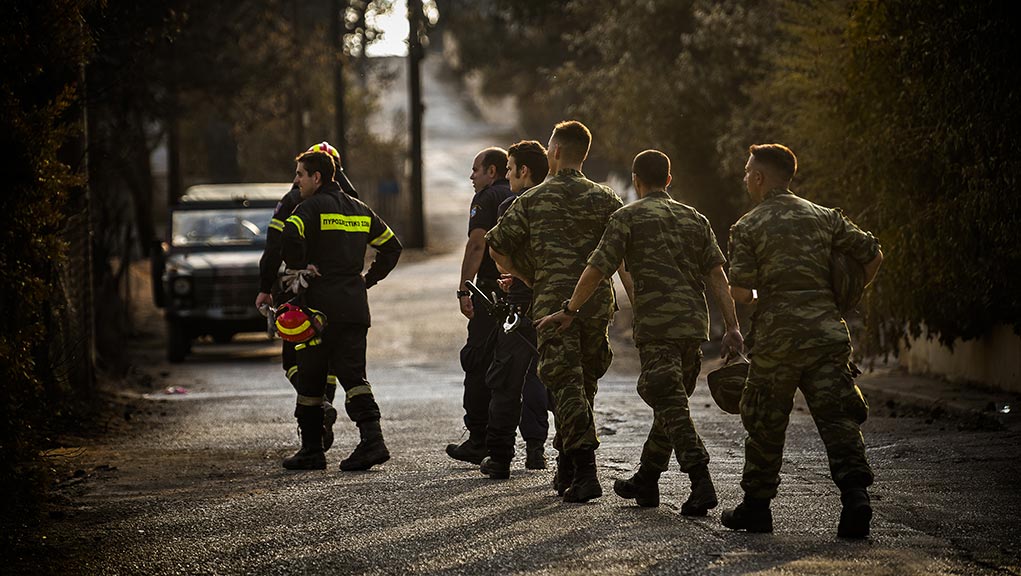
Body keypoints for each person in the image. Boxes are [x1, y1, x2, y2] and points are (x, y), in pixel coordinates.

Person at [536, 150, 744, 515]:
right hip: (693, 326)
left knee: (672, 405)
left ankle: (701, 481)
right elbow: (717, 277)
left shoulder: (627, 217)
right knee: (671, 402)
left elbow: (598, 268)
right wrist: (732, 327)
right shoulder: (695, 218)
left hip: (658, 327)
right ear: (668, 179)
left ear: (635, 181)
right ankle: (646, 479)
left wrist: (570, 310)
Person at [721, 143, 883, 538]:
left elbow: (739, 290)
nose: (745, 178)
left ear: (759, 177)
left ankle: (757, 509)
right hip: (827, 333)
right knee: (838, 418)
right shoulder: (825, 217)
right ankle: (856, 500)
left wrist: (763, 295)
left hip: (778, 339)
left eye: (747, 172)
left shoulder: (748, 226)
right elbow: (873, 255)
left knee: (764, 421)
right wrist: (843, 297)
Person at [486, 120, 628, 503]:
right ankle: (567, 462)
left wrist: (529, 277)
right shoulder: (607, 199)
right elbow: (622, 256)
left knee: (565, 385)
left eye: (549, 148)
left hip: (552, 304)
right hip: (597, 303)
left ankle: (585, 470)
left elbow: (496, 245)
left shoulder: (532, 200)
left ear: (557, 152)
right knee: (583, 387)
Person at [279, 150, 402, 471]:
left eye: (300, 175)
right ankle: (372, 441)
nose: (296, 181)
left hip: (318, 308)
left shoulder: (308, 208)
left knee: (310, 377)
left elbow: (289, 234)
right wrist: (367, 280)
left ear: (316, 177)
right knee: (353, 375)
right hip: (353, 304)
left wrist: (298, 267)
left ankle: (312, 449)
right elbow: (392, 246)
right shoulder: (360, 208)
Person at [256, 142, 355, 453]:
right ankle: (322, 417)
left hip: (297, 291)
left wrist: (265, 285)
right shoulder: (351, 201)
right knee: (330, 362)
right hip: (341, 294)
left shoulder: (293, 202)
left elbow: (274, 246)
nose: (298, 180)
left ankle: (316, 417)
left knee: (294, 359)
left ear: (318, 174)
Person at [478, 140, 551, 479]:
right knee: (555, 378)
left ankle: (500, 457)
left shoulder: (511, 205)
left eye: (509, 169)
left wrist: (522, 279)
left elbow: (497, 250)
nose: (508, 175)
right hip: (561, 302)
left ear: (524, 171)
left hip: (522, 303)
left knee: (507, 379)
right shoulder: (563, 202)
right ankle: (547, 452)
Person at [446, 148, 515, 464]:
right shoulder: (519, 196)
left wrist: (463, 289)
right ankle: (532, 445)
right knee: (513, 365)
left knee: (477, 361)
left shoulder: (486, 199)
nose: (471, 176)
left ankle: (478, 438)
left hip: (489, 293)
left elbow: (477, 244)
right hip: (518, 293)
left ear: (492, 171)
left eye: (475, 170)